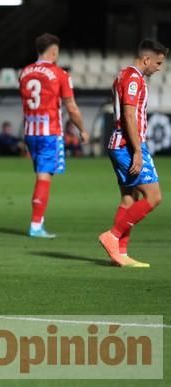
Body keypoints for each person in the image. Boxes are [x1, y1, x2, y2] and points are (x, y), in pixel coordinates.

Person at [99, 39, 167, 268]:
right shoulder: (134, 78)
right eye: (157, 63)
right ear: (146, 59)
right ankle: (113, 235)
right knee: (154, 197)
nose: (159, 68)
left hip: (119, 143)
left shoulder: (121, 75)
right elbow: (128, 115)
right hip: (127, 145)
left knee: (130, 198)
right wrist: (138, 150)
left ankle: (120, 253)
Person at [19, 33, 89, 238]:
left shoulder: (24, 72)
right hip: (50, 132)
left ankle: (36, 223)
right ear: (54, 51)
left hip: (30, 131)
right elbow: (72, 108)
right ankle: (36, 225)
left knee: (40, 174)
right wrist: (82, 129)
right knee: (44, 177)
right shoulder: (60, 74)